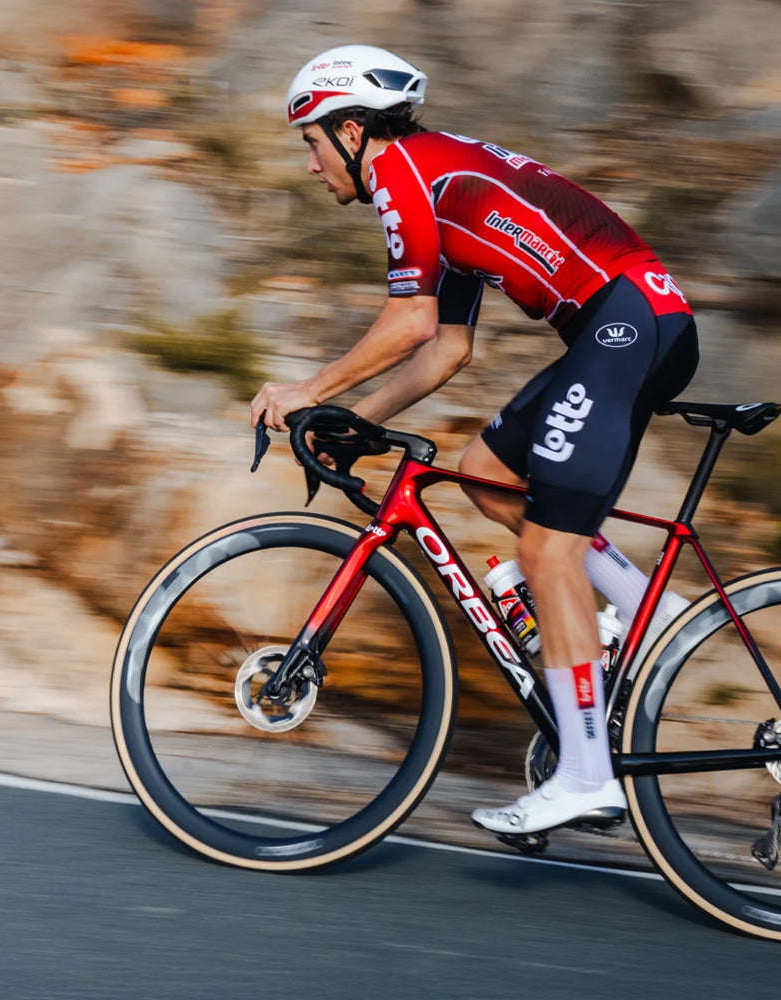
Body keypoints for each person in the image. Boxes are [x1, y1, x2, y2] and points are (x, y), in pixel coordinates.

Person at [249, 44, 699, 836]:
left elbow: (408, 321)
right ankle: (650, 613)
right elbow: (445, 345)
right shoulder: (434, 184)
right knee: (487, 474)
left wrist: (307, 392)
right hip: (627, 327)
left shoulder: (404, 177)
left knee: (549, 554)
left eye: (313, 143)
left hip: (630, 325)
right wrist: (365, 423)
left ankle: (587, 776)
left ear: (354, 131)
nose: (311, 165)